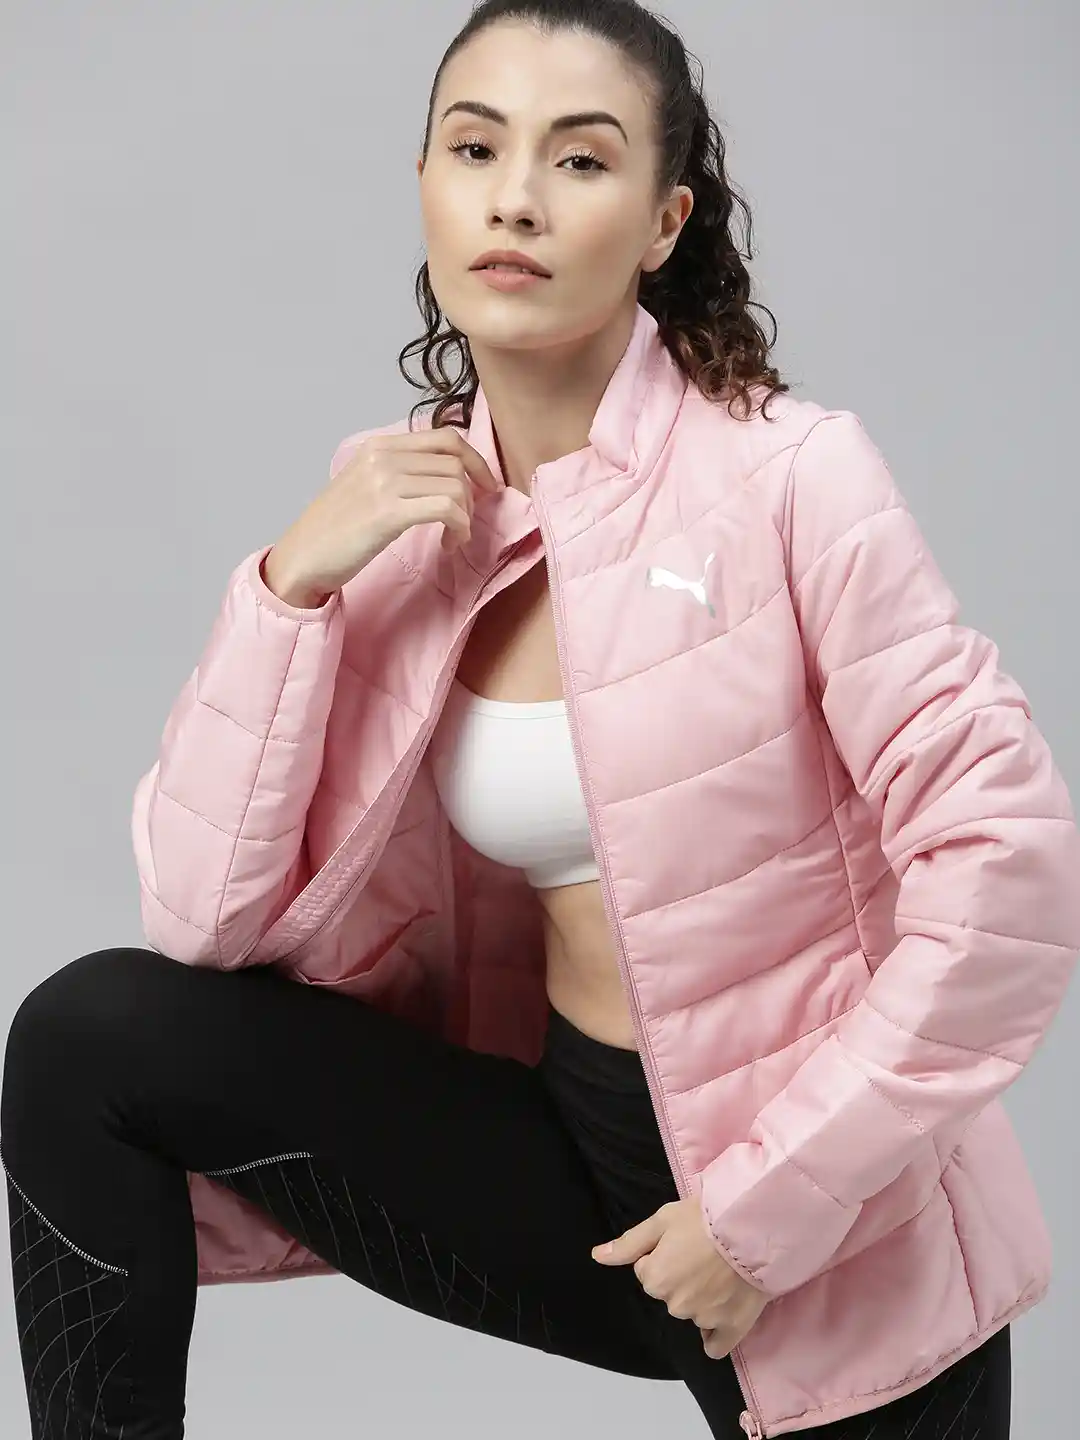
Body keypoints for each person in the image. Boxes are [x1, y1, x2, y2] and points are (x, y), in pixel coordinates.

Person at [3, 0, 1078, 1435]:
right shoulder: (399, 510)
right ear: (425, 184)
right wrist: (287, 588)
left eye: (580, 159)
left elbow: (1010, 875)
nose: (515, 198)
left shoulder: (792, 478)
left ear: (663, 223)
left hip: (810, 1214)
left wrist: (767, 1215)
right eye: (475, 148)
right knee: (89, 1040)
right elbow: (201, 924)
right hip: (575, 1155)